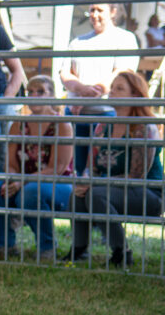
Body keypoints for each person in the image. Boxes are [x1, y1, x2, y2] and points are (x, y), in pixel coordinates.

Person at [67, 70, 163, 266]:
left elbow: (136, 176)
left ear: (136, 95)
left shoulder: (144, 128)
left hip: (147, 194)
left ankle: (122, 252)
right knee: (78, 193)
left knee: (96, 195)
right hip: (108, 188)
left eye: (119, 89)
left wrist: (94, 184)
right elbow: (91, 167)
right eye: (112, 88)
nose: (111, 92)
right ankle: (79, 249)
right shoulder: (103, 126)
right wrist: (86, 181)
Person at [59, 0, 140, 171]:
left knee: (102, 167)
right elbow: (65, 72)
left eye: (99, 10)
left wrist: (91, 92)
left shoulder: (125, 39)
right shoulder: (78, 41)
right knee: (76, 167)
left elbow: (122, 73)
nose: (94, 15)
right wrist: (81, 89)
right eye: (92, 10)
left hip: (107, 114)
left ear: (113, 11)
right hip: (77, 114)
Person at [3, 75, 74, 260]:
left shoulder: (62, 125)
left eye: (40, 91)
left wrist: (21, 182)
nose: (34, 95)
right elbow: (10, 163)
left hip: (58, 184)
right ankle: (4, 245)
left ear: (52, 96)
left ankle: (47, 246)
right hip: (23, 183)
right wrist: (12, 179)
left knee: (31, 192)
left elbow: (56, 168)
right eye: (30, 92)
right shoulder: (18, 124)